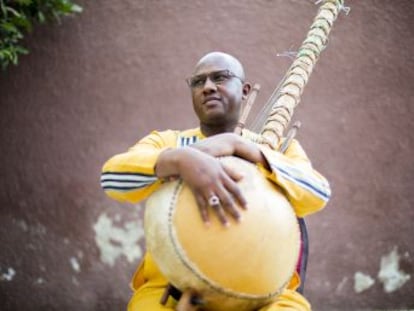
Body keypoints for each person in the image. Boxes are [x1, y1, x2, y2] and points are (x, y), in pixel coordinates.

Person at [100, 51, 331, 311]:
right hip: (171, 289)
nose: (208, 87)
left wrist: (242, 147)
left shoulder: (277, 148)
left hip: (265, 296)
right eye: (198, 82)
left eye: (220, 78)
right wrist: (181, 161)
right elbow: (111, 178)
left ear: (244, 90)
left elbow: (318, 192)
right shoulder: (169, 143)